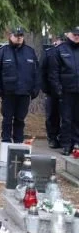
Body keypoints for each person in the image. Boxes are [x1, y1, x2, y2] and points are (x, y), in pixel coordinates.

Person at [0, 27, 40, 144]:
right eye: (16, 36)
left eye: (21, 36)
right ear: (10, 36)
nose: (19, 38)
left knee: (20, 119)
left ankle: (18, 142)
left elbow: (36, 73)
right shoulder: (2, 51)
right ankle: (6, 141)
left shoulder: (30, 51)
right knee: (7, 119)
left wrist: (35, 89)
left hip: (24, 92)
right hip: (8, 92)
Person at [48, 27, 79, 155]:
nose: (77, 37)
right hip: (66, 91)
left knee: (77, 119)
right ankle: (66, 145)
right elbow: (53, 73)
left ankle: (77, 143)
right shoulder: (60, 50)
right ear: (69, 34)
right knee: (66, 119)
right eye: (75, 34)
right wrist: (58, 90)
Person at [42, 35, 64, 150]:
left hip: (68, 90)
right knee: (52, 116)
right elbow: (43, 71)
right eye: (61, 40)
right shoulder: (49, 53)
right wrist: (46, 88)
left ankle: (64, 138)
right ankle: (52, 138)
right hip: (52, 91)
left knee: (67, 116)